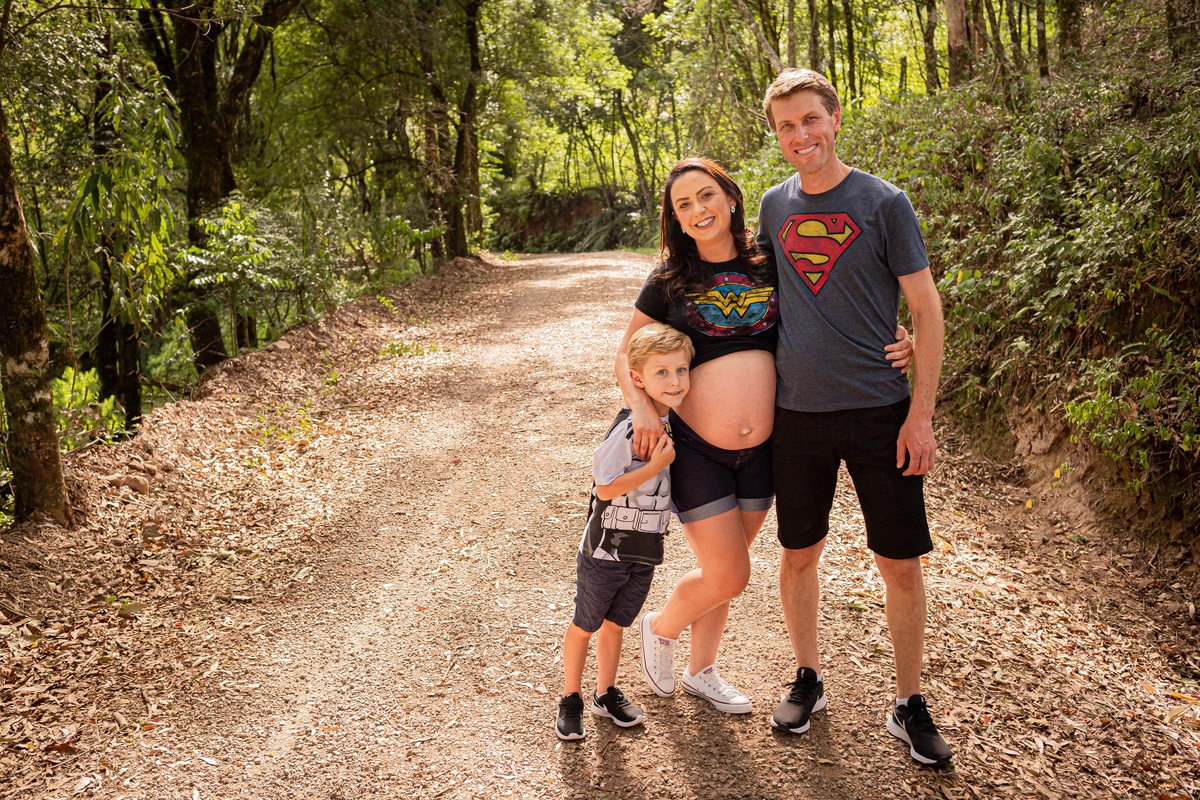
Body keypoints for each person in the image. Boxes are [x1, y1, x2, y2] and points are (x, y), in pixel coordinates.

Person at [616, 158, 913, 715]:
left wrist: (893, 335)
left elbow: (830, 302)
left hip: (763, 451)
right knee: (730, 573)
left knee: (724, 571)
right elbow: (625, 355)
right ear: (675, 219)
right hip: (698, 449)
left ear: (730, 198)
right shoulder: (669, 280)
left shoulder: (767, 261)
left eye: (706, 196)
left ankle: (702, 670)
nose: (698, 210)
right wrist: (641, 408)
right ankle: (661, 626)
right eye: (683, 205)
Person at [757, 68, 952, 765]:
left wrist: (920, 416)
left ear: (835, 119)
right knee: (798, 553)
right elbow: (763, 300)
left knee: (898, 561)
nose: (800, 134)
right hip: (796, 415)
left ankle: (908, 703)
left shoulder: (883, 202)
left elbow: (926, 310)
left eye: (810, 119)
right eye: (786, 126)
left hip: (879, 412)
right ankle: (807, 678)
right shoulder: (772, 207)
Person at [556, 323, 695, 740]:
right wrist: (656, 466)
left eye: (681, 370)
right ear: (637, 378)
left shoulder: (671, 423)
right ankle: (570, 697)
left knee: (617, 624)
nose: (675, 381)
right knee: (586, 624)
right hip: (605, 551)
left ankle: (605, 693)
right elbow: (604, 487)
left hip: (643, 550)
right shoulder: (630, 428)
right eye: (662, 372)